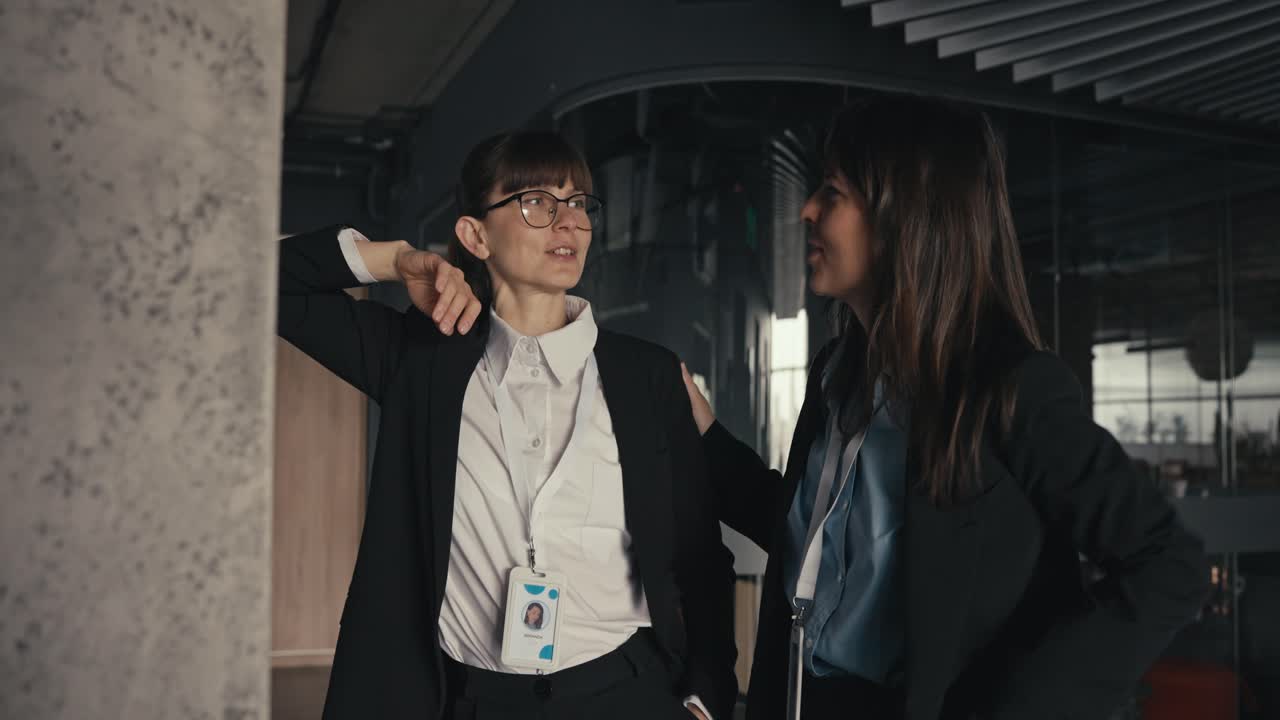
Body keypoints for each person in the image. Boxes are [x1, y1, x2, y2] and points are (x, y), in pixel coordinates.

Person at [679, 96, 1208, 720]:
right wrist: (707, 437)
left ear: (905, 218)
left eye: (833, 191)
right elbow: (812, 541)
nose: (808, 209)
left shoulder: (1009, 389)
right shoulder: (836, 374)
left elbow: (1168, 566)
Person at [278, 130, 736, 720]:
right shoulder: (422, 360)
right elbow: (270, 280)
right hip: (470, 700)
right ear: (476, 235)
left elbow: (701, 555)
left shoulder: (647, 377)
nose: (567, 222)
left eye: (577, 204)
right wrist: (394, 260)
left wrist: (704, 700)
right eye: (537, 202)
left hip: (625, 693)